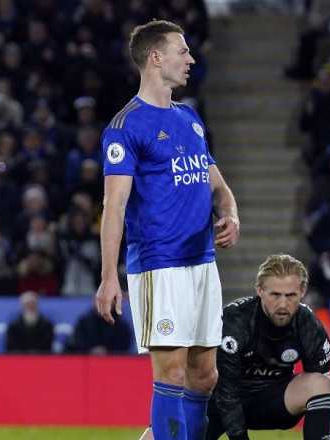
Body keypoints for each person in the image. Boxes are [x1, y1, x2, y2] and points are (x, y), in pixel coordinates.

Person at [96, 19, 239, 440]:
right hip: (160, 265)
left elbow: (217, 184)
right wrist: (109, 276)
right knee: (172, 373)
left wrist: (230, 213)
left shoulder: (190, 117)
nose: (191, 58)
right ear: (156, 58)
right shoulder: (125, 127)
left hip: (203, 263)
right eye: (183, 50)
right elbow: (114, 205)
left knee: (205, 375)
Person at [210, 255, 330, 440]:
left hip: (273, 403)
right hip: (220, 403)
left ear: (302, 291)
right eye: (275, 295)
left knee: (320, 382)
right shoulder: (235, 321)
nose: (283, 304)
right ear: (260, 290)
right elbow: (226, 392)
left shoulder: (307, 323)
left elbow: (320, 380)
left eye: (290, 295)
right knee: (159, 435)